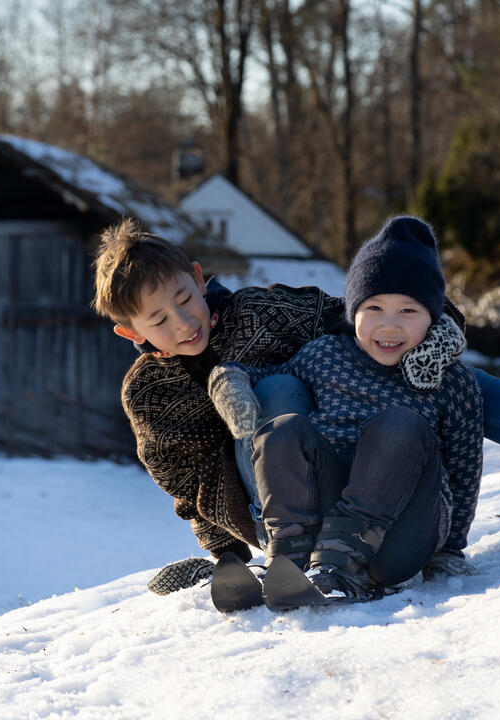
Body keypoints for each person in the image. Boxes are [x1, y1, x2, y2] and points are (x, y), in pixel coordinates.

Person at [90, 218, 500, 595]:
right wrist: (225, 555)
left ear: (198, 276)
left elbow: (373, 309)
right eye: (159, 320)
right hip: (263, 505)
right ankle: (295, 550)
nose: (184, 322)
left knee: (434, 371)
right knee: (276, 396)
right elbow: (186, 485)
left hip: (348, 463)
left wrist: (438, 332)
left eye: (186, 298)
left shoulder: (264, 311)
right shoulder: (149, 394)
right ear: (130, 332)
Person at [207, 216, 483, 599]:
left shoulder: (450, 379)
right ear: (353, 311)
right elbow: (260, 375)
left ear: (432, 318)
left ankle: (342, 566)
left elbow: (465, 469)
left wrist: (450, 551)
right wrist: (227, 378)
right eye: (374, 308)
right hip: (327, 526)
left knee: (400, 424)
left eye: (408, 311)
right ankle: (289, 558)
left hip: (400, 536)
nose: (389, 326)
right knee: (283, 429)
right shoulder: (326, 355)